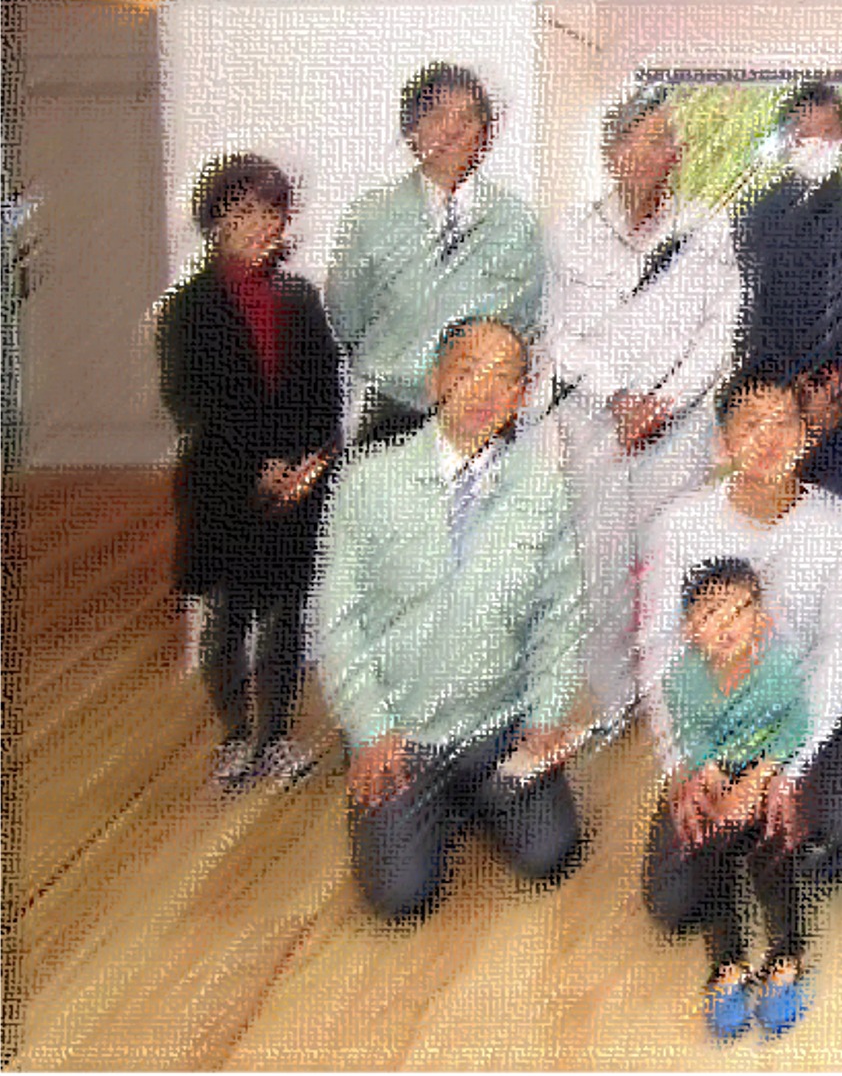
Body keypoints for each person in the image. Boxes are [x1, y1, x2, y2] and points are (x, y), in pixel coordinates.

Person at [313, 318, 586, 920]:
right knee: (401, 899)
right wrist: (370, 731)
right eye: (467, 370)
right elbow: (337, 623)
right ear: (435, 380)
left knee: (552, 854)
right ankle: (433, 802)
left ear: (521, 396)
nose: (484, 389)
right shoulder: (368, 481)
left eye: (503, 377)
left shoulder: (543, 488)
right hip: (402, 733)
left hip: (498, 727)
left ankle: (469, 796)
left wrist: (546, 717)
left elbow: (561, 615)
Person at [639, 372, 842, 1029]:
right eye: (749, 422)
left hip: (795, 724)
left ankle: (775, 884)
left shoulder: (839, 526)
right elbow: (658, 652)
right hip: (711, 731)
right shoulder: (680, 525)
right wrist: (685, 766)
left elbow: (835, 658)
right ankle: (749, 853)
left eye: (783, 422)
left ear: (807, 434)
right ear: (722, 439)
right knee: (674, 905)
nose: (767, 438)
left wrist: (782, 772)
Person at [543, 85, 741, 726]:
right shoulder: (572, 232)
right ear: (612, 151)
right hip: (596, 423)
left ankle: (668, 696)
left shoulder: (705, 229)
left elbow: (720, 330)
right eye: (640, 138)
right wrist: (618, 398)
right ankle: (613, 698)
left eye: (664, 139)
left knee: (675, 565)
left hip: (676, 431)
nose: (655, 151)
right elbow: (557, 334)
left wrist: (667, 401)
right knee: (600, 569)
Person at [157, 153, 341, 789]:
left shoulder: (300, 298)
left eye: (272, 211)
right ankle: (236, 739)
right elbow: (191, 403)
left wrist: (305, 464)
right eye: (244, 211)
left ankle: (277, 737)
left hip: (296, 490)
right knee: (227, 620)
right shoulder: (188, 308)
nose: (261, 224)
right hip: (224, 487)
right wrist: (257, 467)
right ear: (215, 221)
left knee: (286, 621)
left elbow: (324, 394)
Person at [326, 62, 545, 448]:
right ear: (412, 130)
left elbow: (524, 321)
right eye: (438, 115)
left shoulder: (515, 222)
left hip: (484, 412)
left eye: (467, 118)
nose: (452, 129)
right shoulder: (369, 217)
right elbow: (346, 317)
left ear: (485, 134)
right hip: (393, 412)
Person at [644, 558, 813, 1039]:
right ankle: (727, 963)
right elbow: (689, 730)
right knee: (706, 851)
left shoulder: (778, 666)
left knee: (777, 849)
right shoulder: (683, 678)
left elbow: (796, 723)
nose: (726, 625)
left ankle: (788, 955)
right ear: (688, 629)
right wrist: (709, 771)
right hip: (719, 775)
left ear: (762, 619)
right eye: (710, 613)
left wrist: (762, 775)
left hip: (766, 773)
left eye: (739, 611)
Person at [732, 81, 842, 506]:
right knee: (769, 522)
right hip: (772, 411)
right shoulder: (756, 218)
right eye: (804, 133)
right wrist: (789, 392)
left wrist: (836, 389)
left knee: (836, 523)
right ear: (787, 140)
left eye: (827, 132)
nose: (816, 144)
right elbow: (750, 314)